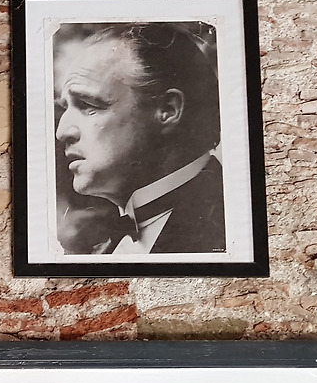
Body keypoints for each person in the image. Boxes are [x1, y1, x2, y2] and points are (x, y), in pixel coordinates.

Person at [54, 22, 224, 255]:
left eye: (87, 105)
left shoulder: (229, 224)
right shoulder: (102, 245)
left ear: (167, 110)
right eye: (65, 108)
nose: (62, 132)